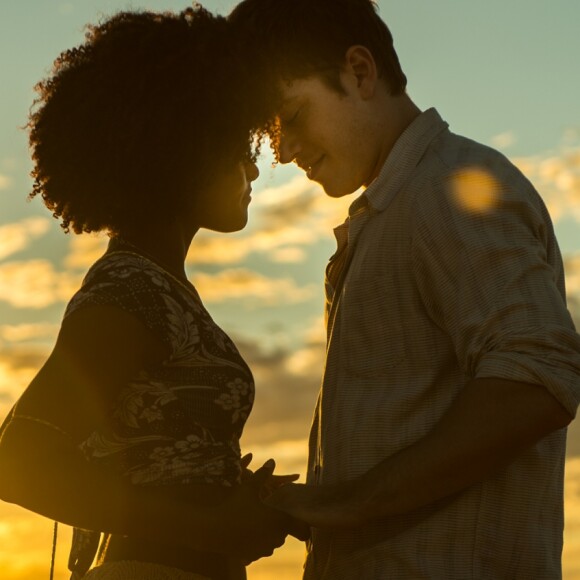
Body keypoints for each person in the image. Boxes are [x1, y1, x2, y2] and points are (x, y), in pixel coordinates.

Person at [228, 0, 580, 578]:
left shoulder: (448, 188)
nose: (284, 151)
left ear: (360, 72)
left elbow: (537, 376)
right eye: (271, 132)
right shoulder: (394, 209)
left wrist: (346, 504)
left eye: (292, 116)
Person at [0, 6, 307, 580]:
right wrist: (214, 527)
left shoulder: (158, 286)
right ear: (182, 150)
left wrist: (228, 487)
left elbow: (140, 453)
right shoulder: (129, 292)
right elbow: (18, 462)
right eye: (238, 147)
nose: (254, 169)